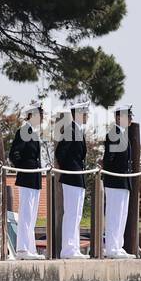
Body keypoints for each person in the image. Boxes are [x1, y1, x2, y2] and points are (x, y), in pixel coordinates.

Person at [8, 102, 45, 260]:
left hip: (34, 178)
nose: (42, 118)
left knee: (32, 215)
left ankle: (30, 248)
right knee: (26, 214)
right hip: (27, 176)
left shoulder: (33, 132)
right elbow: (14, 153)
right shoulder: (24, 131)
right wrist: (23, 168)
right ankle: (22, 249)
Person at [54, 101, 89, 258]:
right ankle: (67, 249)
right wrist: (69, 169)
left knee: (77, 215)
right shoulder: (71, 130)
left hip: (78, 177)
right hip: (71, 177)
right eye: (85, 112)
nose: (87, 115)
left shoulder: (78, 130)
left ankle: (73, 248)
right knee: (71, 214)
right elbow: (60, 153)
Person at [101, 104, 134, 259]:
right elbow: (109, 160)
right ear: (119, 118)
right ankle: (111, 247)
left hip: (123, 181)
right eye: (128, 116)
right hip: (115, 180)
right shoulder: (114, 134)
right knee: (114, 214)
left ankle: (118, 246)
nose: (131, 119)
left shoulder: (123, 134)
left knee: (122, 214)